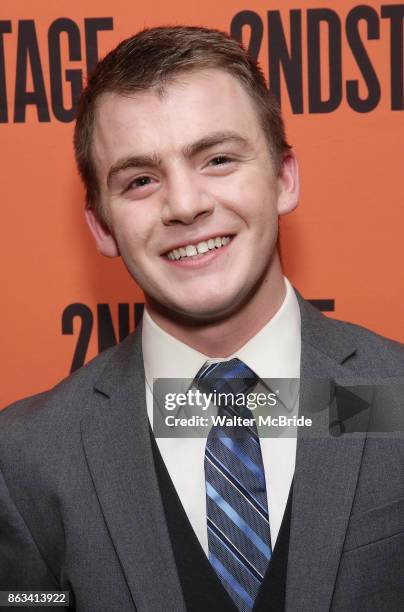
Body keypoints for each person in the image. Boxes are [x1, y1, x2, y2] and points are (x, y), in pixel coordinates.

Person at [1, 25, 403, 612]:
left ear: (284, 178)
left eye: (217, 159)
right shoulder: (27, 455)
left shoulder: (393, 396)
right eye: (140, 180)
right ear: (103, 226)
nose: (185, 205)